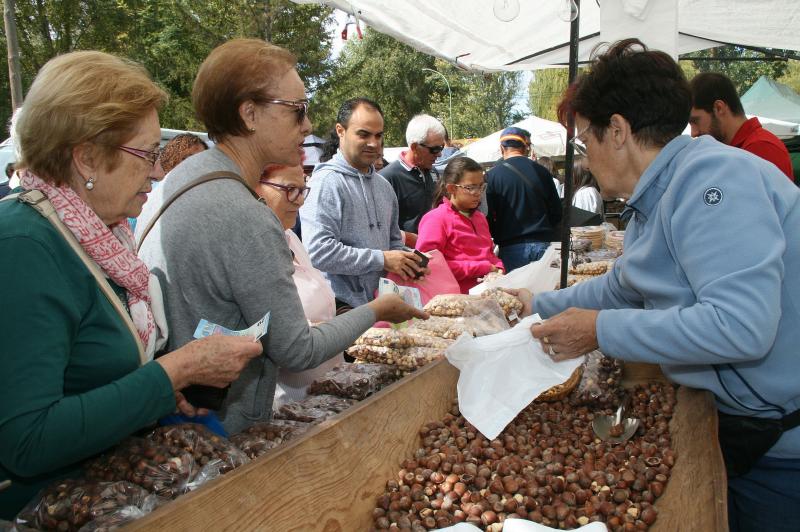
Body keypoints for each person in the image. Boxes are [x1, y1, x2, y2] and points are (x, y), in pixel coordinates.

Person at [518, 39, 800, 532]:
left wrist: (602, 331)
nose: (585, 155)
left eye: (586, 139)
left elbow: (741, 326)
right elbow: (621, 286)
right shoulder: (658, 198)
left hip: (782, 452)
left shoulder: (712, 181)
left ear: (620, 130)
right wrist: (534, 305)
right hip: (744, 426)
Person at [0, 51, 264, 518]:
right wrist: (174, 373)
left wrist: (162, 394)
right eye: (145, 153)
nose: (156, 168)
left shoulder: (100, 235)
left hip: (107, 498)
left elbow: (92, 378)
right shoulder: (24, 244)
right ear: (87, 158)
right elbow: (28, 439)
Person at [136, 41, 425, 434]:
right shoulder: (243, 212)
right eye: (297, 110)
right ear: (250, 114)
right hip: (222, 432)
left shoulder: (179, 180)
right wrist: (377, 310)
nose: (307, 125)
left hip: (175, 419)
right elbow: (296, 350)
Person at [301, 97, 427, 308]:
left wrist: (409, 262)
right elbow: (318, 252)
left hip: (382, 306)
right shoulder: (326, 182)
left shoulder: (383, 186)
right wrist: (382, 259)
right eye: (364, 134)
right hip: (342, 309)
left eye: (378, 135)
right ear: (341, 131)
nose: (373, 143)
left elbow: (393, 242)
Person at [255, 162, 343, 407]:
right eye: (290, 189)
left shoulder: (290, 236)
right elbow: (282, 337)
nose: (300, 200)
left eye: (303, 189)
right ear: (254, 187)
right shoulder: (252, 250)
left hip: (326, 393)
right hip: (290, 407)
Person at [416, 157, 503, 293]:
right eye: (470, 188)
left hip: (488, 294)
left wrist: (499, 267)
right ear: (451, 188)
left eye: (481, 186)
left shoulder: (479, 217)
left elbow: (489, 253)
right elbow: (429, 266)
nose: (478, 193)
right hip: (454, 301)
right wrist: (483, 267)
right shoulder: (435, 219)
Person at [689, 72, 793, 180]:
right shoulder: (745, 148)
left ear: (719, 108)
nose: (693, 133)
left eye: (695, 121)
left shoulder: (760, 148)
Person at [485, 126, 562, 272]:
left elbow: (488, 217)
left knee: (515, 293)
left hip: (511, 248)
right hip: (544, 244)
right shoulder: (542, 172)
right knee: (543, 291)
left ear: (502, 148)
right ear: (525, 147)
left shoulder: (492, 176)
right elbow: (557, 212)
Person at [380, 114, 446, 234]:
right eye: (435, 149)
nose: (439, 154)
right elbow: (382, 227)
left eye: (441, 147)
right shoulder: (387, 178)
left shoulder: (433, 172)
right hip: (406, 251)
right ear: (415, 147)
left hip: (433, 247)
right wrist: (411, 240)